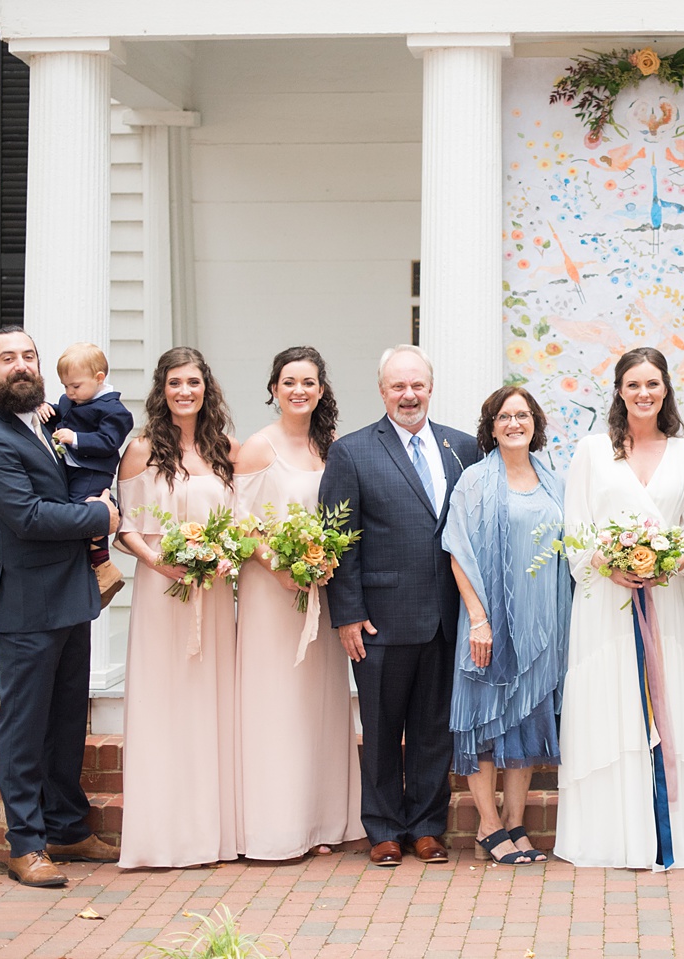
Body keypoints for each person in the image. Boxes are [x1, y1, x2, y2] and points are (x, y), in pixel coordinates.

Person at [0, 327, 122, 887]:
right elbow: (28, 518)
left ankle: (68, 829)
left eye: (28, 355)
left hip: (70, 596)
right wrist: (101, 517)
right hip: (28, 605)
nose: (21, 365)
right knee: (25, 729)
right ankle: (25, 845)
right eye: (7, 359)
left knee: (63, 724)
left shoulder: (49, 421)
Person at [556, 347, 684, 870]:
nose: (643, 393)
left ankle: (671, 835)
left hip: (665, 601)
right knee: (612, 705)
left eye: (652, 383)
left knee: (664, 700)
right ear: (619, 392)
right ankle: (612, 836)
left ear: (665, 389)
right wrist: (607, 563)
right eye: (633, 385)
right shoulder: (592, 451)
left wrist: (670, 564)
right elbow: (574, 528)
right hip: (607, 602)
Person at [321, 345, 480, 867]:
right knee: (384, 727)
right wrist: (346, 612)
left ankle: (428, 827)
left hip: (447, 617)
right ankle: (385, 828)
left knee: (435, 728)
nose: (408, 395)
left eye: (417, 385)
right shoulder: (352, 452)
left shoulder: (463, 448)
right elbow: (338, 540)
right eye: (397, 386)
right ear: (382, 390)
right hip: (380, 619)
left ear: (430, 388)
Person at [232, 346, 362, 861]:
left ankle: (320, 821)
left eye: (308, 382)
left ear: (321, 390)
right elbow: (239, 519)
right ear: (273, 389)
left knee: (317, 707)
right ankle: (275, 828)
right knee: (277, 704)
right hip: (272, 596)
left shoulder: (330, 449)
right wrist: (276, 565)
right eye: (289, 382)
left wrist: (321, 562)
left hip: (319, 593)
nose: (298, 391)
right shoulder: (257, 449)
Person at [113, 347, 239, 869]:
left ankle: (213, 834)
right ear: (161, 390)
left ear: (206, 387)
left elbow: (239, 523)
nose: (184, 392)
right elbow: (124, 529)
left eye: (193, 382)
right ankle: (161, 836)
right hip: (161, 595)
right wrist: (163, 565)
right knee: (164, 705)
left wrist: (223, 557)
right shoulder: (142, 449)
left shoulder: (225, 449)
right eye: (174, 383)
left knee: (211, 706)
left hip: (210, 597)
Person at [442, 386, 572, 866]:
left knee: (526, 722)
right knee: (483, 721)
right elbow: (458, 550)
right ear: (491, 426)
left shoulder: (554, 481)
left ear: (535, 423)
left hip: (543, 626)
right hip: (489, 623)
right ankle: (488, 826)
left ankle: (515, 824)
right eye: (504, 416)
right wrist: (478, 619)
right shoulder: (475, 481)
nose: (514, 423)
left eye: (522, 415)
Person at [36, 342, 133, 602]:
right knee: (73, 509)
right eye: (65, 386)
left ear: (99, 378)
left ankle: (102, 567)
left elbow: (108, 442)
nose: (69, 392)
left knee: (87, 511)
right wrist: (47, 409)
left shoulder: (114, 412)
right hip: (71, 469)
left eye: (75, 386)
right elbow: (62, 417)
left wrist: (75, 438)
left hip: (92, 471)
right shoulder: (71, 399)